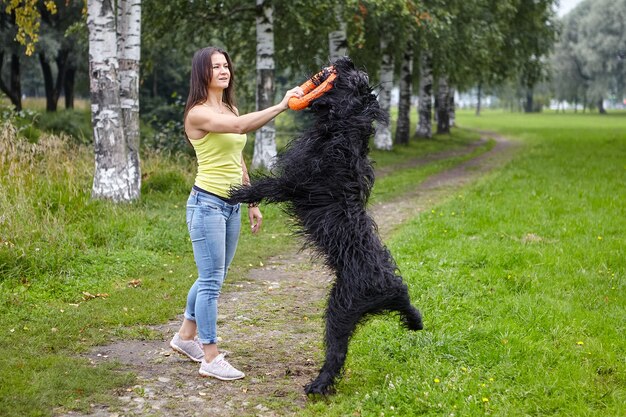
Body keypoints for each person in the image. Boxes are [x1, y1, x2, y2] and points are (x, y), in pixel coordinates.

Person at [169, 46, 303, 380]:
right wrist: (283, 104)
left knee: (214, 275)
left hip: (230, 205)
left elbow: (236, 156)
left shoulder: (228, 106)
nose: (224, 70)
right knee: (212, 281)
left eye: (226, 65)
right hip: (206, 205)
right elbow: (241, 128)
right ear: (203, 73)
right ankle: (210, 356)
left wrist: (251, 199)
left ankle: (185, 337)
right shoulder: (197, 113)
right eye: (216, 67)